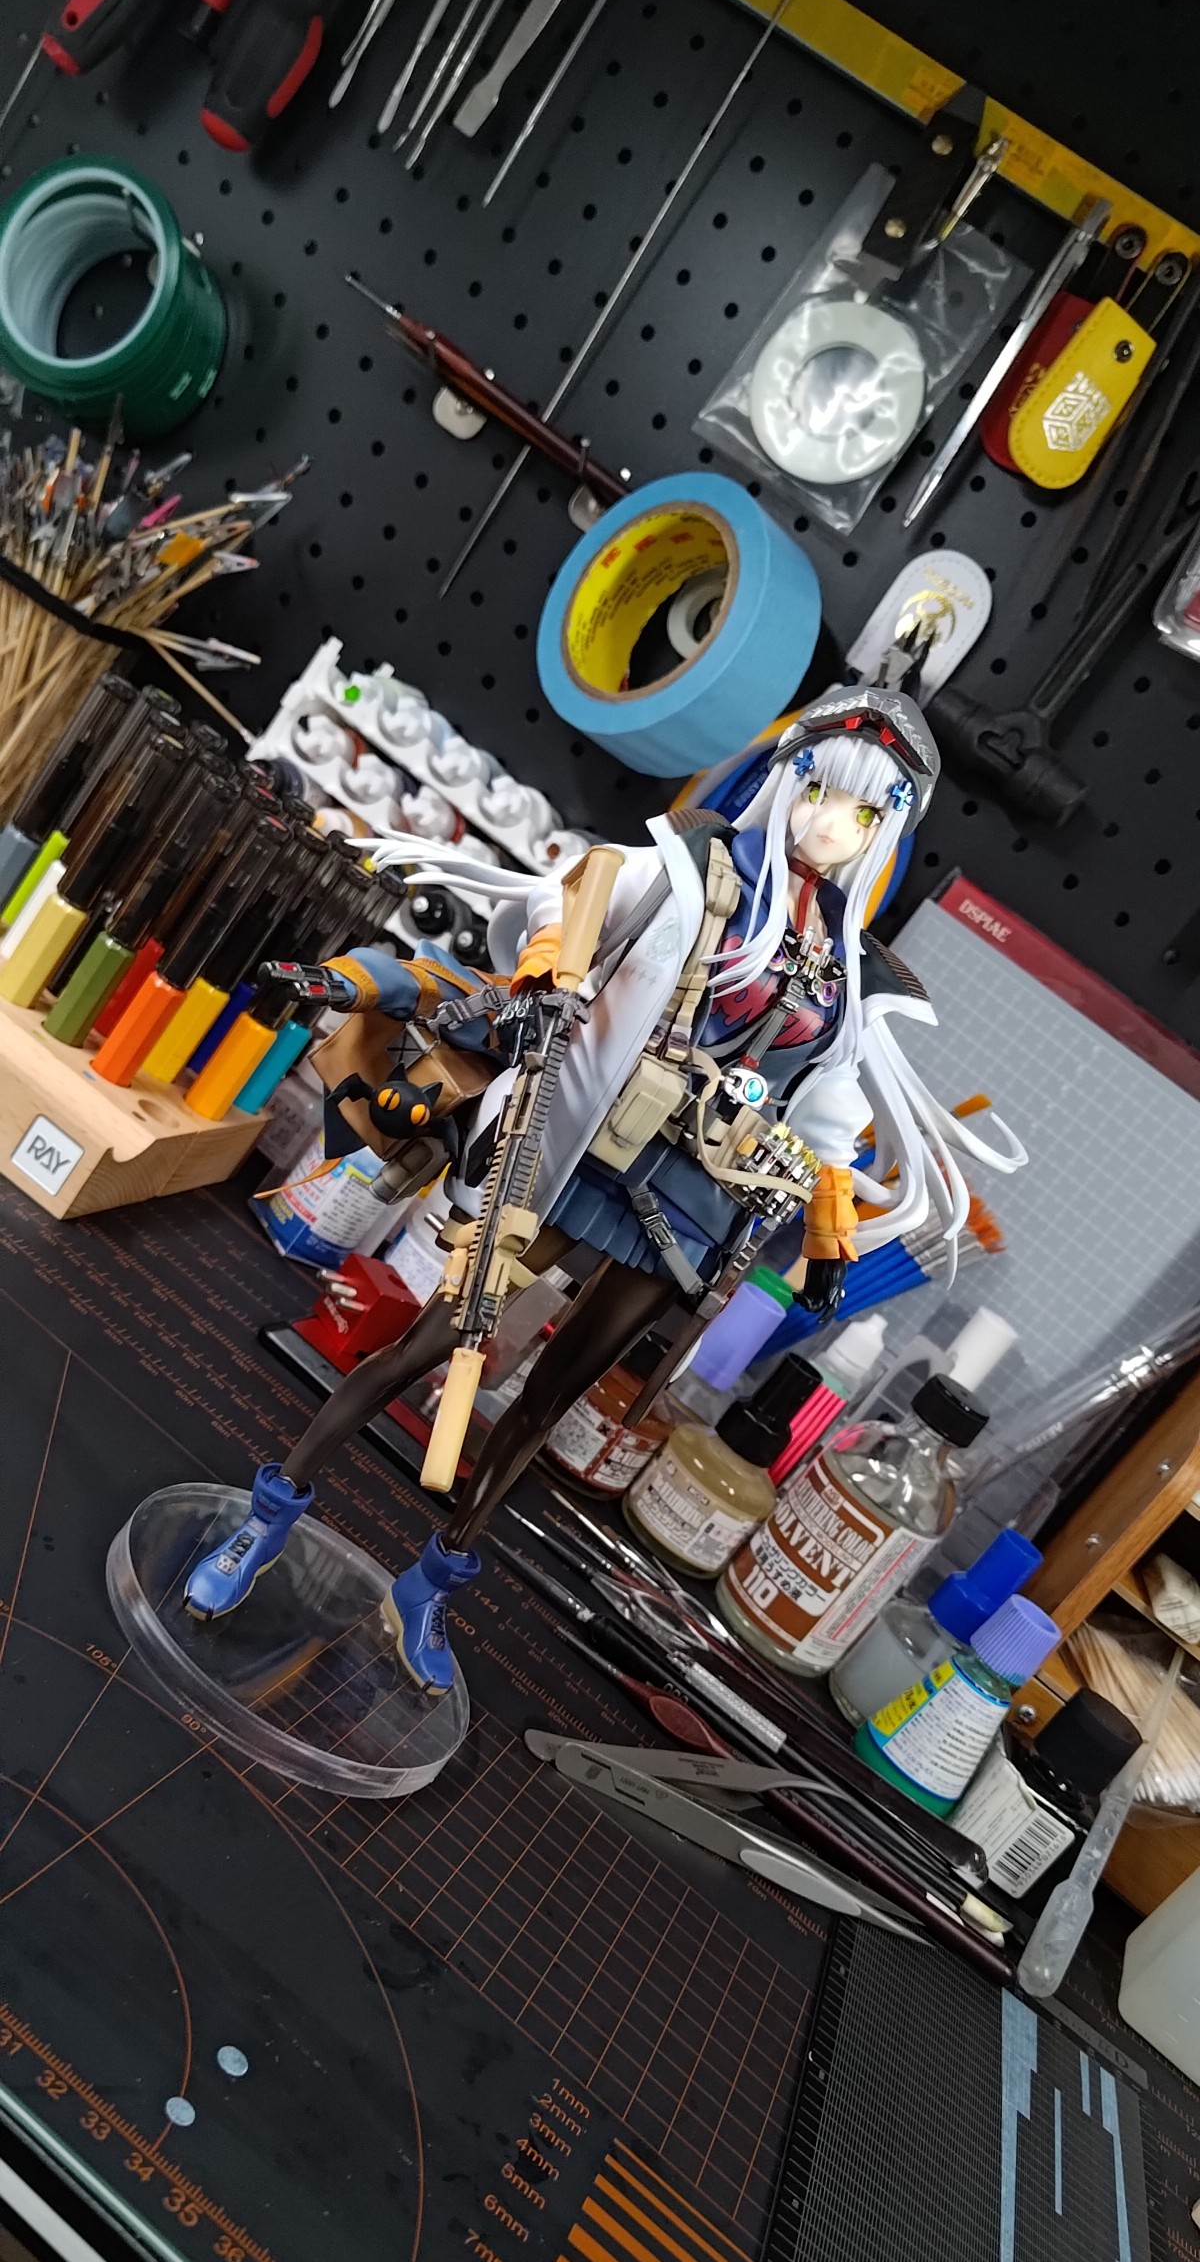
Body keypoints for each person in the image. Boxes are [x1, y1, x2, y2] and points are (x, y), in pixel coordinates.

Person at [183, 686, 1024, 1686]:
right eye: (818, 790)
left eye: (863, 811)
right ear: (787, 779)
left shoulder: (849, 971)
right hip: (580, 1145)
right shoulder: (695, 863)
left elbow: (830, 1109)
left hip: (698, 1200)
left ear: (886, 831)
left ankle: (431, 1584)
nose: (831, 822)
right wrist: (551, 963)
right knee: (437, 1338)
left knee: (548, 1402)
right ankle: (269, 1512)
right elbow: (571, 891)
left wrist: (830, 1226)